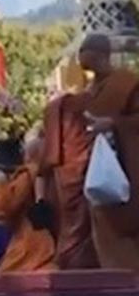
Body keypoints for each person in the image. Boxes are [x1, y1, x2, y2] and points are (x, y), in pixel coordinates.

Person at [76, 33, 139, 271]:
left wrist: (113, 124)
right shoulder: (91, 90)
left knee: (125, 230)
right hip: (97, 171)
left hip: (127, 169)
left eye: (93, 65)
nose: (91, 74)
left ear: (105, 57)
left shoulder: (127, 83)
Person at [0, 128, 57, 275]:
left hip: (32, 238)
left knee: (13, 272)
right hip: (53, 233)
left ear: (29, 154)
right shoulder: (53, 174)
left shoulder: (29, 174)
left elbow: (8, 205)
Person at [40, 91, 100, 269]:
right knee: (75, 228)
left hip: (74, 169)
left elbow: (50, 156)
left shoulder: (58, 109)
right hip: (78, 168)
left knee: (73, 229)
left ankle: (70, 268)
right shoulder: (63, 109)